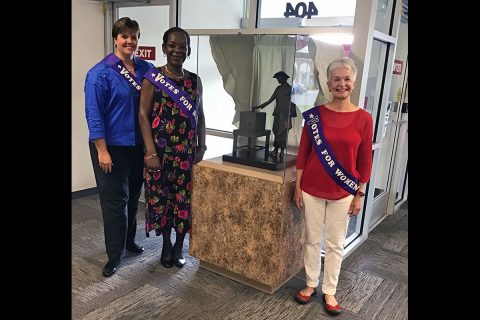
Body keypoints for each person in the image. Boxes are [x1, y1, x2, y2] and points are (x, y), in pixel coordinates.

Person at [293, 57, 373, 316]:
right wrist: (297, 186)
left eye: (346, 79)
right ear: (328, 83)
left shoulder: (364, 118)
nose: (341, 84)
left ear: (354, 83)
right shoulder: (315, 117)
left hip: (344, 192)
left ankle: (330, 291)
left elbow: (365, 160)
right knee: (312, 240)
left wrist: (359, 193)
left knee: (336, 243)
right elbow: (303, 153)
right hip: (312, 188)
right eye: (336, 79)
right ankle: (310, 284)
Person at [85, 17, 154, 277]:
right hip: (110, 147)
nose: (130, 41)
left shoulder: (146, 69)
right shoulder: (99, 73)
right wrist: (102, 150)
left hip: (138, 146)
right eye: (124, 36)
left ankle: (128, 242)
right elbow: (94, 114)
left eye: (134, 36)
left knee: (134, 197)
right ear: (115, 38)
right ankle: (114, 255)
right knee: (115, 202)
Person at [138, 27, 206, 269]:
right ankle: (166, 244)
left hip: (185, 154)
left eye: (183, 46)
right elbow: (144, 116)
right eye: (173, 45)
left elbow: (200, 114)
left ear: (188, 50)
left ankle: (179, 247)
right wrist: (151, 152)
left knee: (182, 200)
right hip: (159, 154)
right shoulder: (152, 78)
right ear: (165, 47)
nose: (178, 50)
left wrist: (202, 144)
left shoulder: (194, 80)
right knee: (161, 200)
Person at [253, 71, 297, 160]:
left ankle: (281, 152)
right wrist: (259, 106)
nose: (278, 80)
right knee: (276, 131)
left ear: (283, 78)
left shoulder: (290, 89)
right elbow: (270, 100)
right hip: (278, 113)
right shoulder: (278, 89)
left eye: (279, 78)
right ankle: (276, 150)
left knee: (284, 133)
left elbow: (293, 103)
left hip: (285, 115)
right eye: (277, 78)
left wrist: (291, 114)